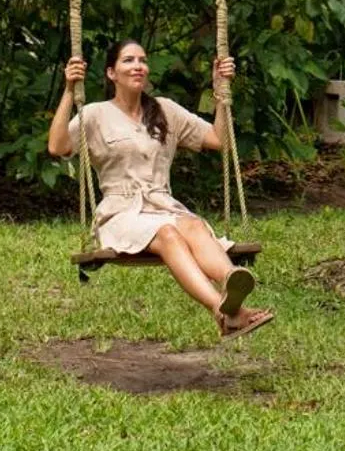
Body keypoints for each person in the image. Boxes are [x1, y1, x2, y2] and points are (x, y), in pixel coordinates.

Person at [47, 41, 273, 339]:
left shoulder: (165, 110)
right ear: (112, 73)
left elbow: (219, 140)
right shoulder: (95, 114)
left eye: (142, 60)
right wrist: (68, 90)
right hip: (121, 214)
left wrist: (221, 92)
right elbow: (57, 146)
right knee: (168, 234)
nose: (138, 66)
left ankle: (231, 280)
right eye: (129, 60)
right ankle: (223, 311)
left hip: (164, 206)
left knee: (191, 224)